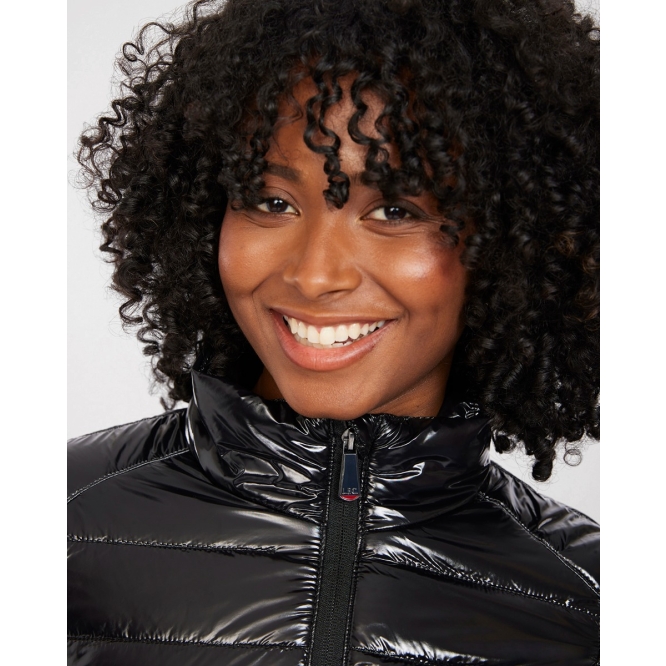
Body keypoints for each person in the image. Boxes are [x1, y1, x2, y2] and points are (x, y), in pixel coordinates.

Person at [67, 0, 600, 664]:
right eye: (272, 201)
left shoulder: (597, 600)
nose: (316, 276)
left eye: (395, 209)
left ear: (514, 244)